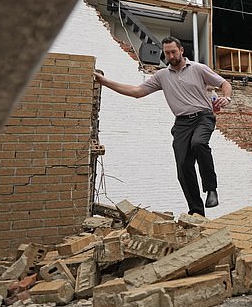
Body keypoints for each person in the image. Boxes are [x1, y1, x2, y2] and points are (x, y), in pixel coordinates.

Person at [93, 36, 232, 217]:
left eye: (174, 51)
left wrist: (226, 98)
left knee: (198, 144)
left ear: (181, 50)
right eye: (167, 53)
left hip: (203, 117)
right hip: (182, 123)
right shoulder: (161, 76)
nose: (171, 56)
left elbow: (224, 83)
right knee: (183, 166)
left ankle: (211, 189)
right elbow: (136, 92)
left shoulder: (198, 69)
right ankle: (197, 212)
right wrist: (104, 81)